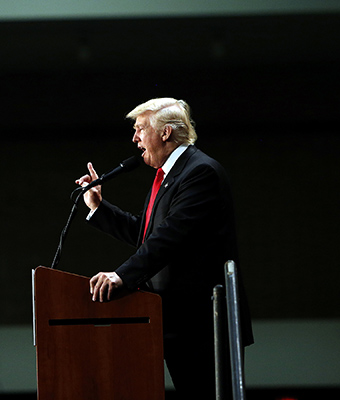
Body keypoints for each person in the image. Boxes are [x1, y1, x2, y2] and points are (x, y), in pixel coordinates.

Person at [76, 97, 253, 398]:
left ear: (166, 132)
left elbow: (169, 238)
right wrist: (99, 207)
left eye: (141, 129)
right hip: (177, 325)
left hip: (203, 327)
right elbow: (147, 234)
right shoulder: (169, 177)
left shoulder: (200, 173)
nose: (135, 138)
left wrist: (121, 276)